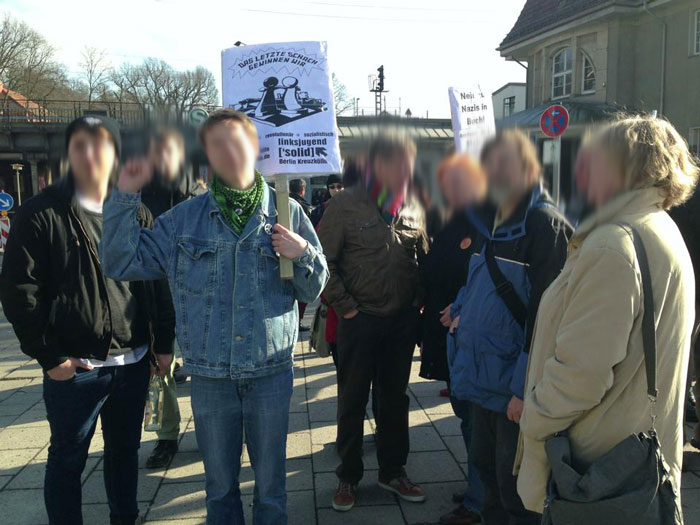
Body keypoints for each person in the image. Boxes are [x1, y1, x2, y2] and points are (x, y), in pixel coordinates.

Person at [99, 108, 328, 525]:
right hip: (210, 379)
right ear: (207, 156)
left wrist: (304, 254)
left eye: (237, 141)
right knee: (220, 491)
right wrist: (124, 194)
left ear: (255, 147)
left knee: (272, 491)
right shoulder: (184, 220)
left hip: (269, 376)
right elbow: (120, 260)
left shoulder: (287, 212)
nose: (229, 151)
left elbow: (315, 289)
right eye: (217, 144)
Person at [517, 116, 699, 514]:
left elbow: (582, 374)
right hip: (635, 461)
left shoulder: (613, 244)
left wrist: (534, 415)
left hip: (598, 473)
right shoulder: (658, 228)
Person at [0, 115, 175, 525]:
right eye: (80, 145)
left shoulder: (135, 210)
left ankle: (124, 519)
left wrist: (163, 343)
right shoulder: (41, 214)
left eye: (101, 145)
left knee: (123, 454)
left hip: (132, 362)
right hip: (76, 367)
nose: (91, 154)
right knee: (67, 458)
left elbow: (157, 281)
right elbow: (19, 292)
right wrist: (49, 357)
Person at [449, 129, 572, 525]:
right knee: (486, 472)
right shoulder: (497, 217)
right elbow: (480, 280)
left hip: (513, 388)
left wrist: (523, 390)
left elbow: (547, 315)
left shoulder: (543, 224)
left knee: (514, 486)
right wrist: (459, 308)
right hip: (483, 377)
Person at [318, 132, 429, 512]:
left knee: (394, 400)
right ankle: (348, 475)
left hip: (400, 324)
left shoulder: (414, 206)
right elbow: (321, 263)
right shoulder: (345, 205)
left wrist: (417, 302)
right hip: (359, 320)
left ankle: (393, 470)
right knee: (351, 399)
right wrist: (345, 306)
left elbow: (421, 260)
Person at [417, 154, 488, 525]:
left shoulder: (485, 221)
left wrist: (461, 310)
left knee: (475, 417)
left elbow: (485, 279)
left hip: (470, 334)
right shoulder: (445, 218)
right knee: (464, 415)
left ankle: (480, 499)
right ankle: (478, 485)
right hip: (448, 336)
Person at [140, 127, 205, 469]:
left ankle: (214, 434)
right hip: (156, 296)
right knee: (161, 369)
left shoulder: (198, 193)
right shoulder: (140, 196)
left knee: (209, 373)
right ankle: (166, 437)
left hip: (198, 297)